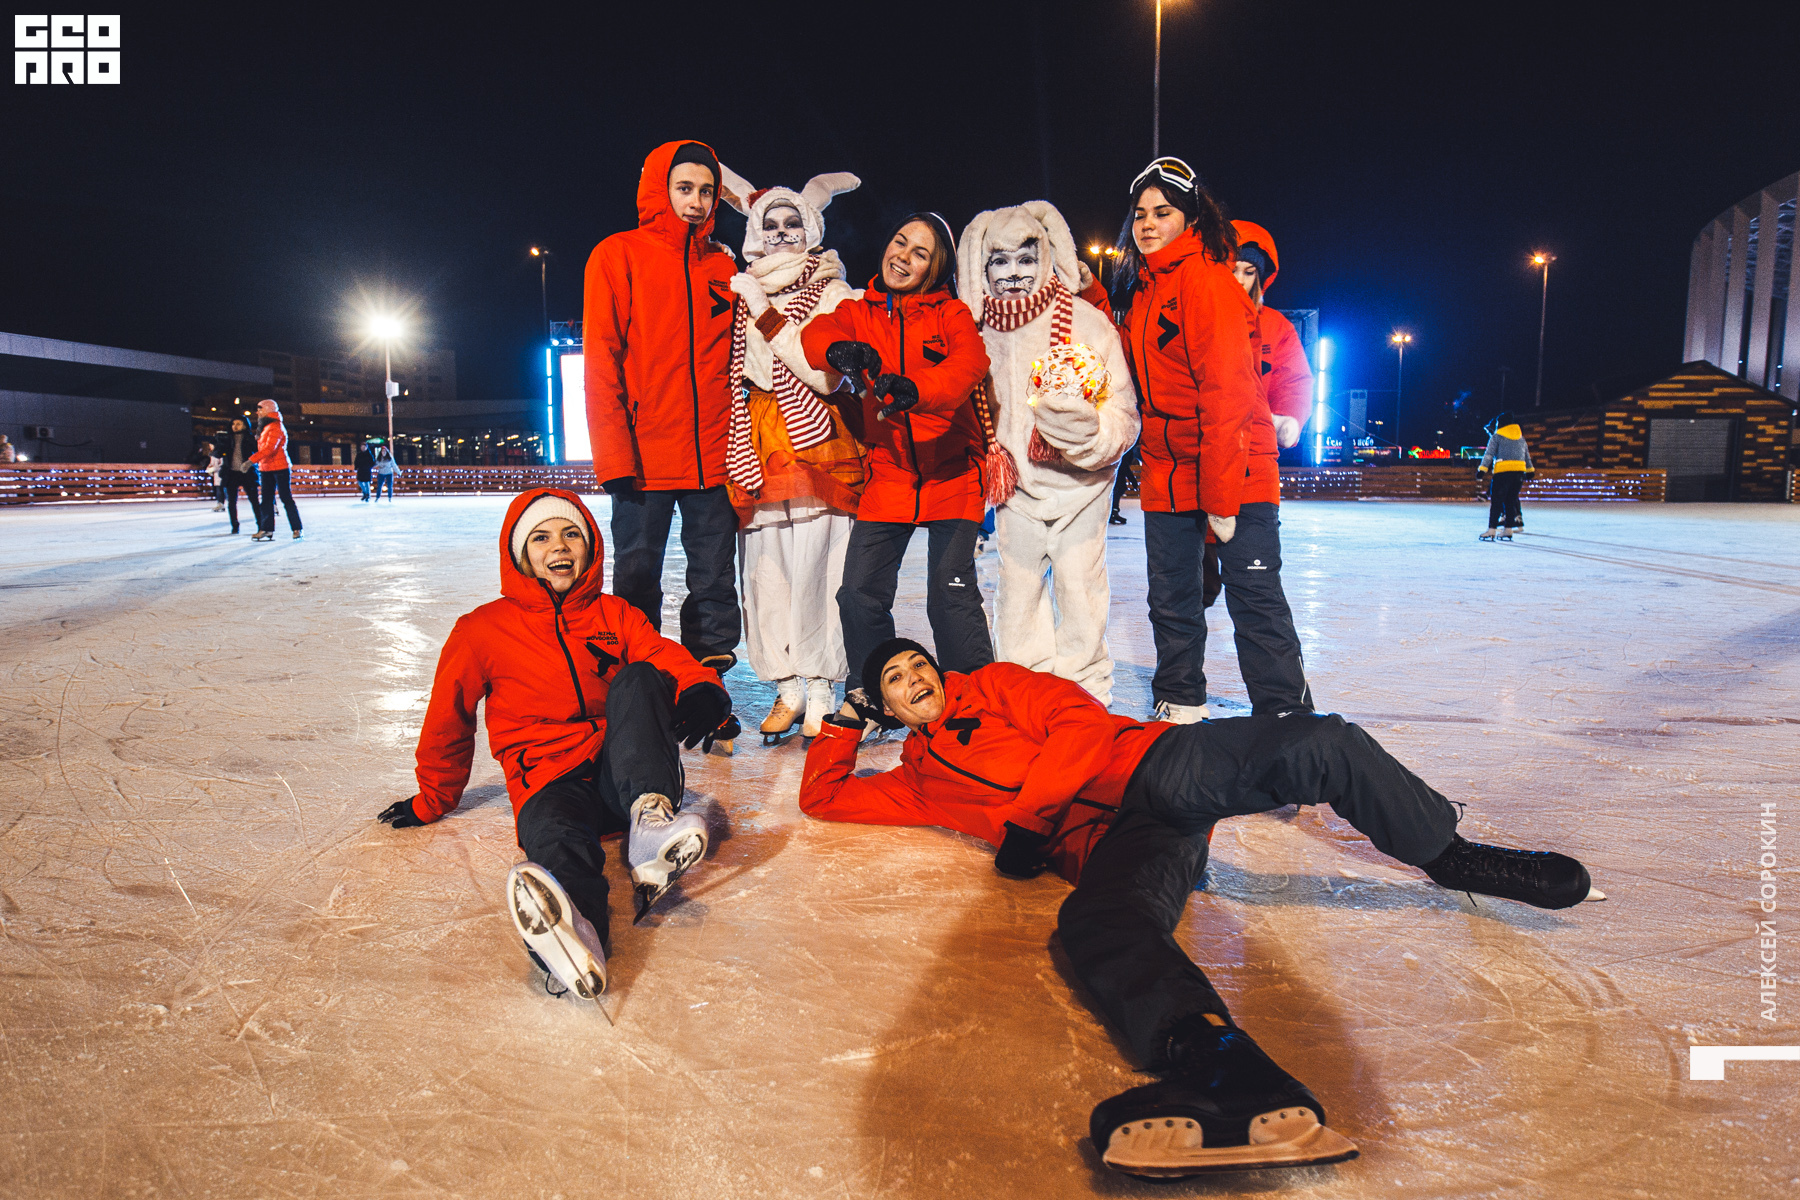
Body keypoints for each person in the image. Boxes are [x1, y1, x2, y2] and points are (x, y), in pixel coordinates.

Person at [800, 638, 1598, 1180]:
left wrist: (1029, 822)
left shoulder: (999, 683)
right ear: (888, 708)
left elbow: (1079, 724)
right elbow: (824, 799)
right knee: (1096, 924)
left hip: (1155, 765)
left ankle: (1450, 855)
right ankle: (1222, 1067)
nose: (916, 676)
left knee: (1319, 741)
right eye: (896, 678)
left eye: (919, 662)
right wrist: (840, 724)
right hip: (1124, 843)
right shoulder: (915, 782)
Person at [375, 489, 731, 1000]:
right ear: (519, 554)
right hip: (548, 778)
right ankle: (575, 935)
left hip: (625, 774)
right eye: (540, 537)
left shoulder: (616, 615)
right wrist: (432, 799)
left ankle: (651, 825)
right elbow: (448, 721)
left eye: (571, 534)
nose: (559, 546)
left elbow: (662, 654)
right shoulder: (481, 630)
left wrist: (702, 688)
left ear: (590, 546)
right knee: (554, 841)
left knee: (639, 677)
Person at [1111, 157, 1309, 722]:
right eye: (1141, 213)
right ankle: (1180, 704)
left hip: (1235, 467)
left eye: (1163, 212)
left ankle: (1288, 725)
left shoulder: (1206, 282)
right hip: (1167, 470)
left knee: (1255, 602)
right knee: (1172, 599)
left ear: (1191, 218)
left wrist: (1221, 499)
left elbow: (1227, 396)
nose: (1148, 224)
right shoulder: (1146, 287)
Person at [798, 213, 996, 724]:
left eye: (920, 253)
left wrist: (917, 390)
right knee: (858, 594)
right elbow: (816, 333)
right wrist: (837, 349)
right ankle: (875, 700)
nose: (903, 257)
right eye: (900, 242)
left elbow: (968, 365)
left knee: (949, 593)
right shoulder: (859, 311)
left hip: (953, 474)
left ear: (936, 268)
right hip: (890, 475)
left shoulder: (951, 314)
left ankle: (976, 703)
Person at [584, 140, 744, 751]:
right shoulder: (617, 254)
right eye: (684, 188)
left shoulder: (724, 268)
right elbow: (602, 361)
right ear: (660, 188)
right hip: (643, 460)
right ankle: (643, 696)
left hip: (712, 459)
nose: (696, 202)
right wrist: (614, 456)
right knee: (637, 581)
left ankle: (711, 695)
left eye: (706, 191)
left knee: (714, 585)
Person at [957, 201, 1139, 706]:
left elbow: (1124, 414)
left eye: (1025, 259)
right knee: (1016, 596)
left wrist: (1089, 436)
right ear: (980, 267)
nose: (1013, 273)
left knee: (1080, 592)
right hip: (1014, 489)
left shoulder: (1087, 323)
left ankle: (1086, 697)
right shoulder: (973, 332)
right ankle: (1025, 695)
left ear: (1046, 259)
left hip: (1082, 488)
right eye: (999, 261)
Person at [717, 166, 868, 742]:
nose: (781, 233)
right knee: (766, 569)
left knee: (818, 565)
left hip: (817, 436)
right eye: (771, 224)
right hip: (754, 436)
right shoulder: (738, 287)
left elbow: (824, 374)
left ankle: (822, 685)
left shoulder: (831, 289)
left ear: (811, 230)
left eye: (792, 223)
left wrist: (762, 307)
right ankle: (786, 685)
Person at [247, 399, 302, 541]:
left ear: (268, 410)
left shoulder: (276, 426)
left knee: (285, 497)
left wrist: (251, 460)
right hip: (265, 467)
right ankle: (266, 529)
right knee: (266, 499)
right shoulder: (265, 427)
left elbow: (270, 448)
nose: (257, 412)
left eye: (260, 409)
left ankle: (296, 528)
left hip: (280, 467)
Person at [1478, 415, 1534, 540]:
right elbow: (1526, 455)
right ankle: (1508, 529)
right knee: (1510, 501)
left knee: (1497, 501)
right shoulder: (1520, 437)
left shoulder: (1497, 437)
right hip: (1518, 473)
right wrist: (1530, 470)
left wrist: (1482, 469)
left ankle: (1491, 530)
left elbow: (1489, 454)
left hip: (1502, 472)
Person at [221, 418, 259, 535]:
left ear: (245, 425)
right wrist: (218, 443)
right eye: (233, 424)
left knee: (254, 500)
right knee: (232, 502)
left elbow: (258, 451)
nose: (235, 426)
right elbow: (218, 453)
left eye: (238, 424)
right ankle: (234, 526)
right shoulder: (227, 439)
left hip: (247, 473)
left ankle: (261, 525)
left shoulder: (249, 438)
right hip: (231, 473)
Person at [203, 442, 224, 510]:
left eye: (212, 445)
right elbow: (211, 463)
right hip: (216, 475)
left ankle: (221, 504)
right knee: (218, 489)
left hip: (221, 475)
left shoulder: (221, 453)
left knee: (220, 490)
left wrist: (213, 469)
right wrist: (209, 468)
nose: (211, 447)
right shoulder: (213, 454)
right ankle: (219, 503)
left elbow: (222, 465)